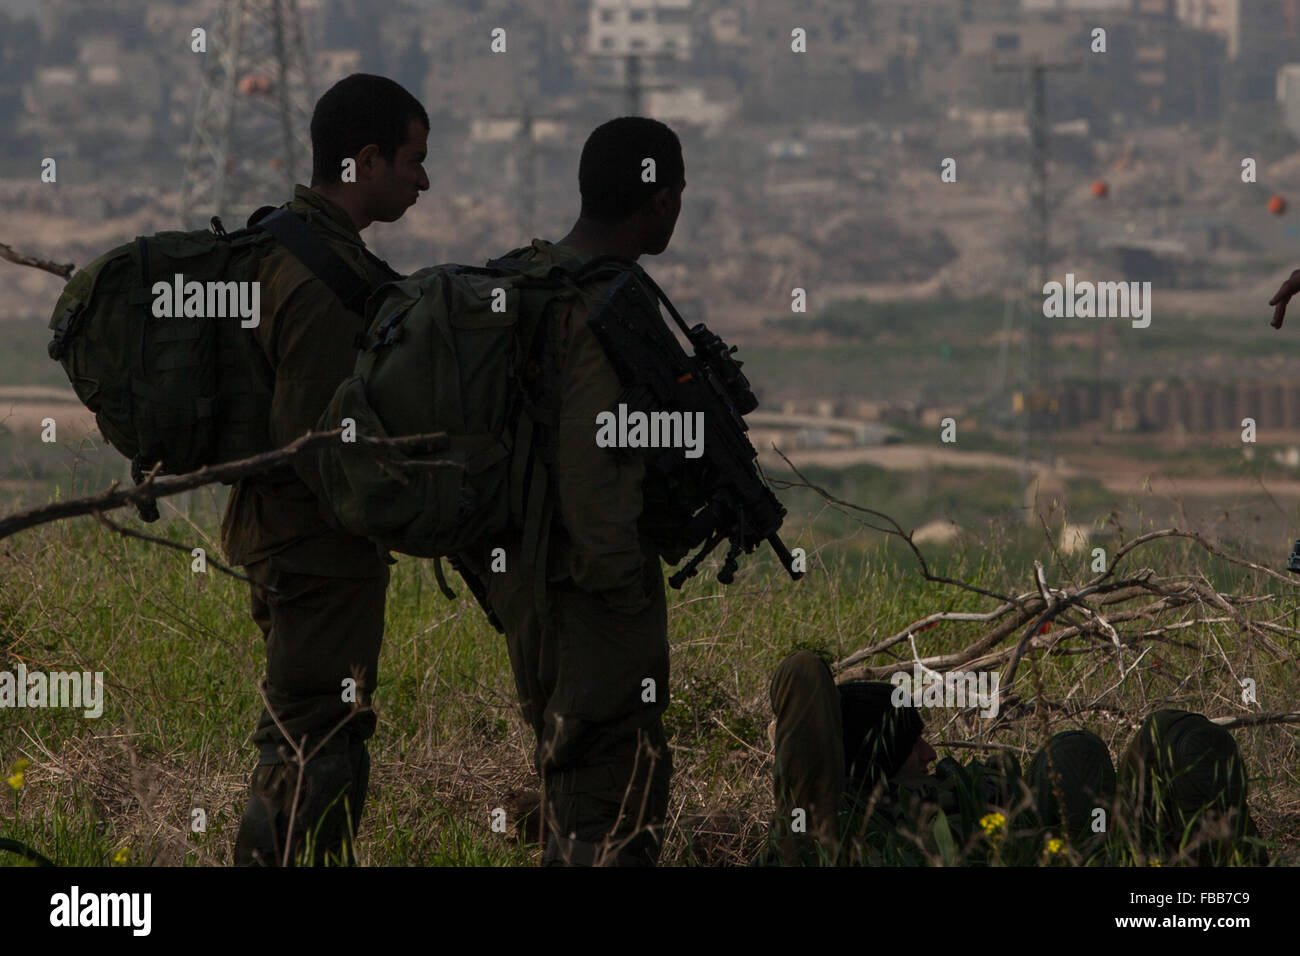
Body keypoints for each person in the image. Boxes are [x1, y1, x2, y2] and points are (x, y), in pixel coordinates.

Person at [456, 117, 688, 866]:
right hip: (590, 596)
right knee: (609, 805)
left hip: (531, 579)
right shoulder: (601, 309)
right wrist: (623, 591)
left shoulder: (530, 279)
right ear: (657, 204)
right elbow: (597, 472)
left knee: (575, 785)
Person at [222, 73, 430, 866]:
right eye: (413, 158)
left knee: (310, 729)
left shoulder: (281, 244)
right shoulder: (316, 279)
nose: (423, 178)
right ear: (366, 161)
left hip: (290, 540)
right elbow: (313, 444)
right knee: (315, 738)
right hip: (314, 550)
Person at [765, 652, 1266, 865]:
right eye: (908, 744)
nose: (930, 752)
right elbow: (803, 677)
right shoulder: (833, 834)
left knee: (1178, 738)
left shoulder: (961, 785)